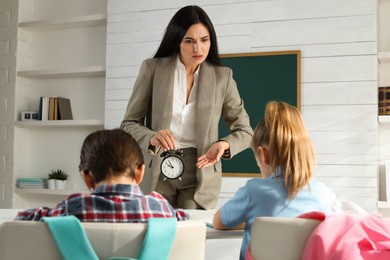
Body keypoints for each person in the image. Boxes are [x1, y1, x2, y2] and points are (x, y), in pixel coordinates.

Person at [120, 5, 253, 210]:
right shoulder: (152, 69)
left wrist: (224, 145)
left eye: (204, 40)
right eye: (189, 41)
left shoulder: (222, 77)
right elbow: (128, 124)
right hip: (157, 169)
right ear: (177, 41)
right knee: (159, 235)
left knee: (189, 235)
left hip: (200, 171)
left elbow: (245, 131)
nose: (198, 48)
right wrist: (151, 137)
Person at [212, 101, 336, 260]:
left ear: (263, 154)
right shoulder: (325, 195)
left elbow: (218, 222)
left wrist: (252, 218)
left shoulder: (254, 191)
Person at [15, 129, 189, 222]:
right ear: (140, 172)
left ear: (87, 177)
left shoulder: (72, 208)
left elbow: (24, 217)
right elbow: (185, 218)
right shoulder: (160, 209)